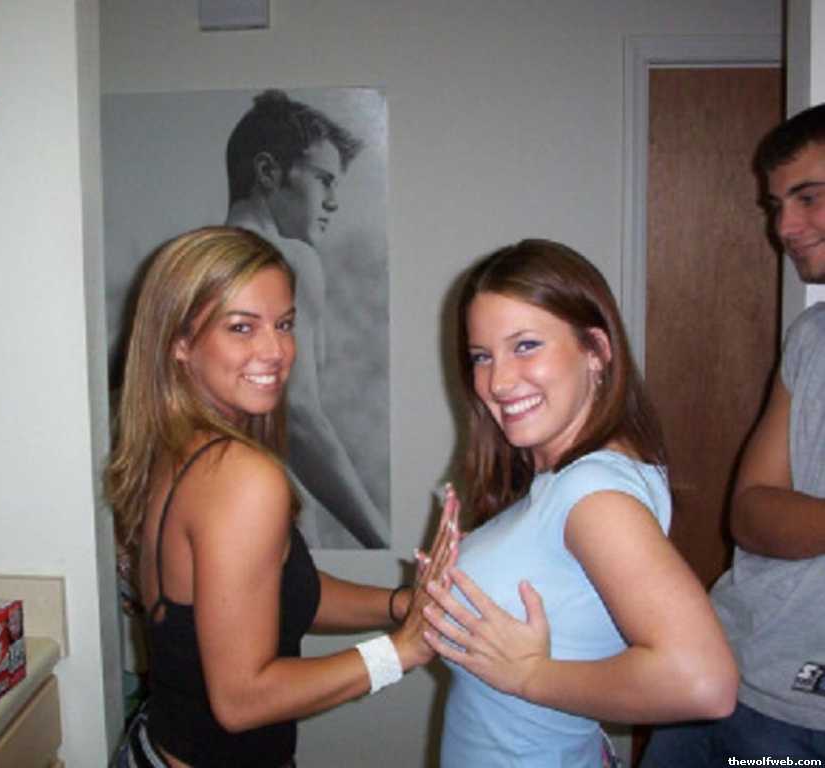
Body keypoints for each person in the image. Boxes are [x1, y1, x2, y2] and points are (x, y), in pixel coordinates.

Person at [106, 226, 457, 768]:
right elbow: (242, 701)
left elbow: (272, 591)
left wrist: (400, 604)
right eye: (242, 327)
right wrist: (401, 651)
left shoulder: (177, 448)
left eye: (285, 324)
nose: (276, 351)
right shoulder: (241, 476)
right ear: (179, 342)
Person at [420, 239, 738, 767]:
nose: (498, 381)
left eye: (526, 346)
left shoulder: (593, 494)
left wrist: (531, 675)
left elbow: (702, 682)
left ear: (596, 349)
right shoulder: (567, 480)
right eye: (482, 356)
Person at [641, 104, 825, 765]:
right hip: (722, 665)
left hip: (806, 724)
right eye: (777, 206)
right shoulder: (811, 336)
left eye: (809, 198)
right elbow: (749, 513)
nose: (783, 228)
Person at [224, 89, 389, 549]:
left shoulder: (179, 265)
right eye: (323, 180)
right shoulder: (289, 261)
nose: (333, 201)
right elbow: (297, 417)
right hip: (266, 515)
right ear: (268, 172)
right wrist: (382, 541)